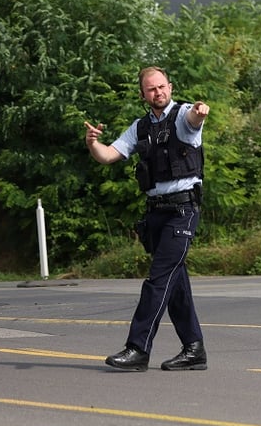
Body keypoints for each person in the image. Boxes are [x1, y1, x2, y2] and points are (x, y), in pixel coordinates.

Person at [84, 66, 209, 372]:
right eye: (152, 89)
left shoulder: (183, 115)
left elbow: (194, 120)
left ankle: (137, 348)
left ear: (171, 86)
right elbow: (109, 155)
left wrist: (200, 113)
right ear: (143, 94)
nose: (159, 92)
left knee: (157, 280)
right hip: (156, 212)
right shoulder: (139, 127)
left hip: (182, 211)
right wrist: (92, 143)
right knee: (175, 283)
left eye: (162, 86)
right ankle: (194, 350)